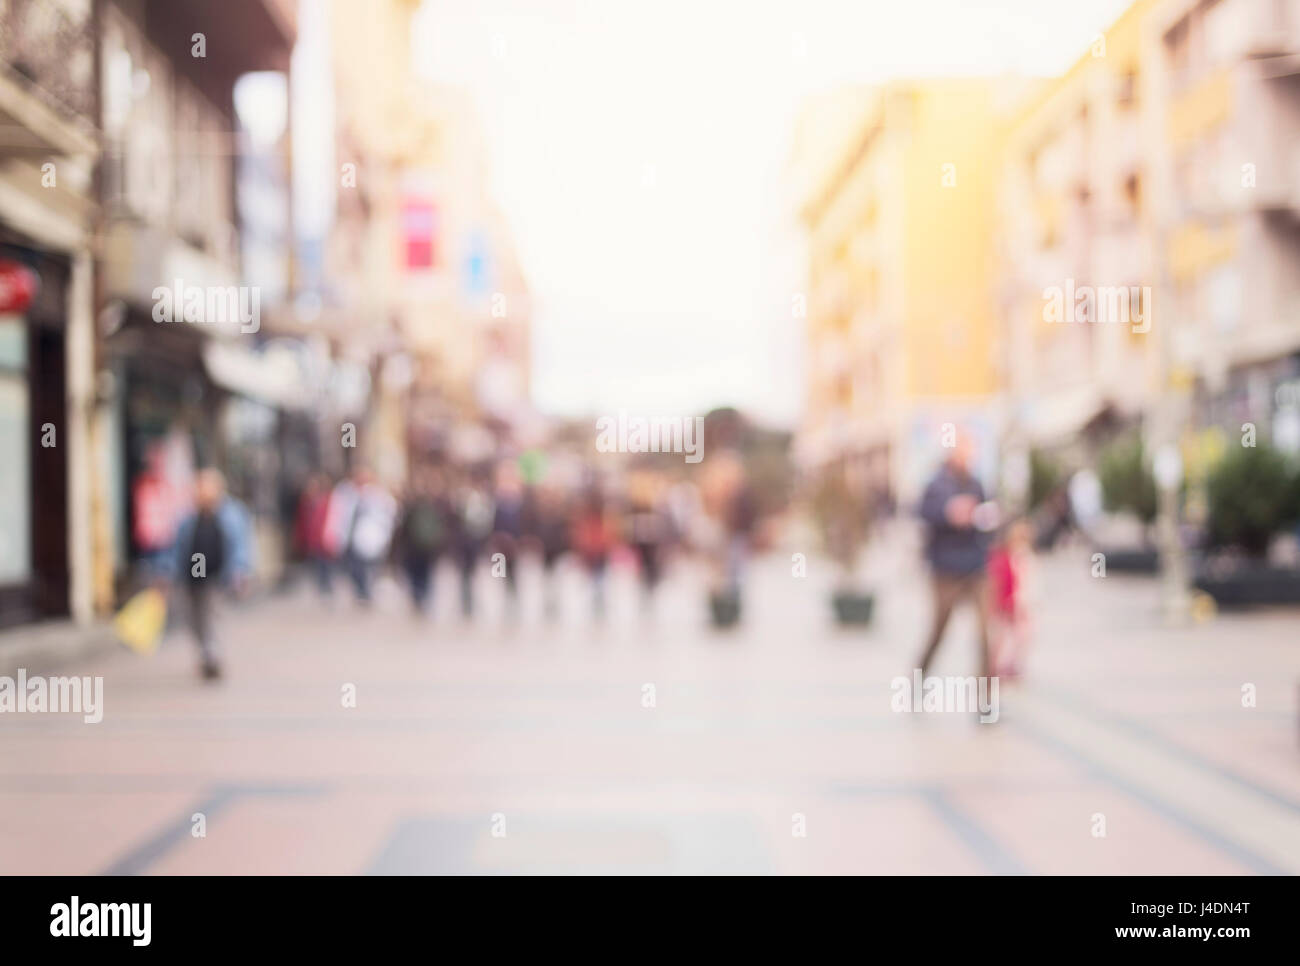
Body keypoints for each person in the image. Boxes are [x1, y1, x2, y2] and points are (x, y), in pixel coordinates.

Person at [915, 430, 995, 678]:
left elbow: (986, 518)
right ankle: (917, 682)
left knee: (985, 635)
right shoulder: (936, 484)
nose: (969, 456)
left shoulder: (976, 483)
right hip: (946, 570)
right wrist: (949, 513)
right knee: (938, 633)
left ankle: (985, 701)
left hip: (975, 567)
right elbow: (924, 513)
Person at [171, 469, 253, 680]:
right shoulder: (188, 517)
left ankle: (212, 656)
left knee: (212, 617)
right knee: (193, 619)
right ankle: (205, 652)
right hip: (190, 578)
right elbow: (177, 547)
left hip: (216, 577)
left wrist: (241, 571)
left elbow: (241, 546)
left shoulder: (232, 514)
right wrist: (167, 572)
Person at [326, 467, 397, 606]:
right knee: (354, 568)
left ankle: (366, 592)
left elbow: (389, 514)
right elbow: (337, 515)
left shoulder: (376, 494)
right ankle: (361, 592)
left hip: (371, 539)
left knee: (369, 568)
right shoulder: (346, 492)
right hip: (350, 538)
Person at [394, 469, 452, 616]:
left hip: (421, 548)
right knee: (423, 575)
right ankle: (422, 599)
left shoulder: (419, 505)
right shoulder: (435, 505)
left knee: (420, 575)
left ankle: (420, 599)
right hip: (421, 548)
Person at [987, 517, 1034, 679]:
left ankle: (1011, 665)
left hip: (1020, 602)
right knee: (999, 636)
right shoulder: (1002, 556)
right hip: (1006, 603)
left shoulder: (1025, 554)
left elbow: (1028, 580)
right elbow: (998, 582)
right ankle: (993, 667)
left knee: (1022, 635)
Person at [452, 471, 495, 618]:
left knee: (485, 574)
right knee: (466, 575)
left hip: (481, 544)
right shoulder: (463, 500)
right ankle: (467, 605)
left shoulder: (487, 501)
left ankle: (478, 604)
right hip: (466, 545)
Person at [571, 487, 616, 619]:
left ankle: (598, 607)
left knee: (598, 582)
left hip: (598, 555)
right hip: (594, 555)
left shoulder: (601, 520)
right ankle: (596, 607)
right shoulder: (591, 520)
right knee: (596, 582)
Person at [293, 473, 334, 598]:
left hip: (324, 538)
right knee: (315, 565)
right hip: (312, 539)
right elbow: (301, 522)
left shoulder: (327, 502)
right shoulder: (305, 502)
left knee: (325, 565)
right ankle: (321, 589)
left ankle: (327, 589)